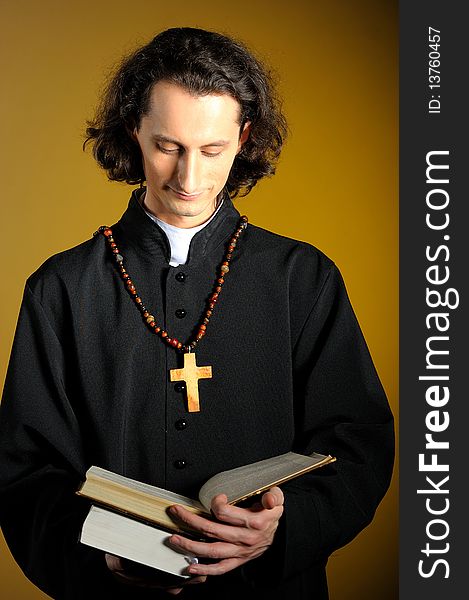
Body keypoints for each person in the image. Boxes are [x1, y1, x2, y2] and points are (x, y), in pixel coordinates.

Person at [0, 27, 394, 599]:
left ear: (244, 137)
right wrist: (103, 557)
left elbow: (358, 442)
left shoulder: (302, 277)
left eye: (212, 151)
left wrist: (279, 529)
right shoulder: (61, 287)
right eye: (168, 146)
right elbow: (24, 470)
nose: (189, 179)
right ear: (134, 130)